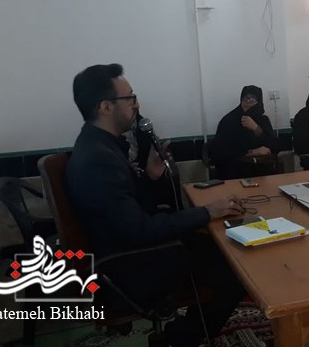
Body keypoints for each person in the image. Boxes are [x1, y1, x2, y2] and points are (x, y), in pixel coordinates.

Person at [66, 64, 246, 347]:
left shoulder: (99, 144)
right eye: (130, 98)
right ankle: (183, 338)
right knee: (233, 267)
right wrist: (208, 211)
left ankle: (184, 332)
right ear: (105, 107)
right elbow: (140, 229)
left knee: (215, 245)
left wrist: (150, 176)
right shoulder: (99, 159)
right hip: (128, 267)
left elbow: (129, 209)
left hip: (129, 251)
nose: (136, 104)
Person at [210, 85, 280, 179]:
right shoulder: (229, 121)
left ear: (259, 102)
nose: (248, 102)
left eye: (253, 99)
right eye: (245, 98)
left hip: (262, 170)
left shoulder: (263, 120)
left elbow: (275, 146)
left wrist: (256, 128)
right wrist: (252, 152)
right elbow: (219, 152)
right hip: (235, 171)